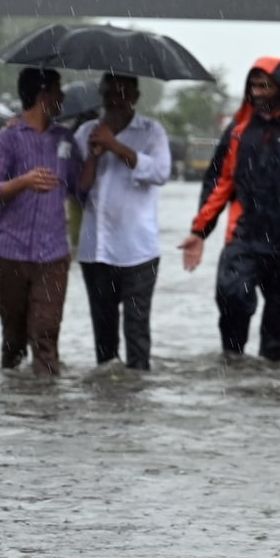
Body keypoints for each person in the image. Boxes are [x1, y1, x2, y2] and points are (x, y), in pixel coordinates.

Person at [179, 56, 280, 362]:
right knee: (232, 297)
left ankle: (272, 395)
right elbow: (220, 185)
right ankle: (235, 379)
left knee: (278, 338)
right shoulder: (238, 132)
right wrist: (199, 231)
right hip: (244, 240)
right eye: (253, 85)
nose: (258, 92)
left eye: (265, 86)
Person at [0, 68, 91, 376]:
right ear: (43, 96)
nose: (63, 97)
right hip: (9, 252)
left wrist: (94, 157)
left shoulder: (65, 140)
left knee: (45, 335)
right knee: (13, 341)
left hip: (53, 254)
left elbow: (81, 191)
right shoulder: (7, 138)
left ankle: (44, 417)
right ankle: (15, 417)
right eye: (58, 90)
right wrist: (23, 182)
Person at [75, 73, 172, 371]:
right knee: (104, 340)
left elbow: (160, 173)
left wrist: (115, 146)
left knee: (137, 333)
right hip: (96, 251)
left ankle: (136, 405)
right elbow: (79, 189)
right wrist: (94, 153)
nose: (113, 101)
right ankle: (107, 404)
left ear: (135, 96)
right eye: (107, 94)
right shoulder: (85, 133)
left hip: (138, 251)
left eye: (121, 94)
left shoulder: (152, 132)